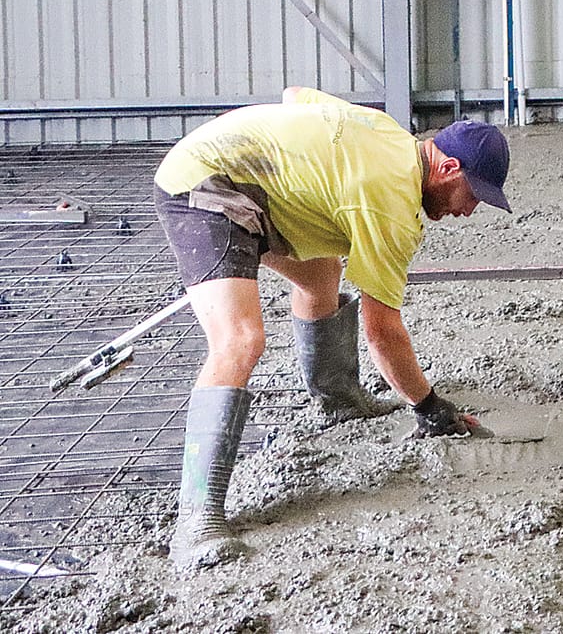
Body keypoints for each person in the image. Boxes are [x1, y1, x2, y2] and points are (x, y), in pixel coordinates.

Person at [153, 88, 511, 571]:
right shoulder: (392, 203)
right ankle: (196, 519)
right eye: (474, 196)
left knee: (322, 276)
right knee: (240, 340)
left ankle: (339, 401)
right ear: (449, 168)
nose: (469, 212)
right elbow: (382, 330)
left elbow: (296, 96)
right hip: (209, 187)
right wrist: (429, 407)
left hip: (248, 177)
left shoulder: (389, 133)